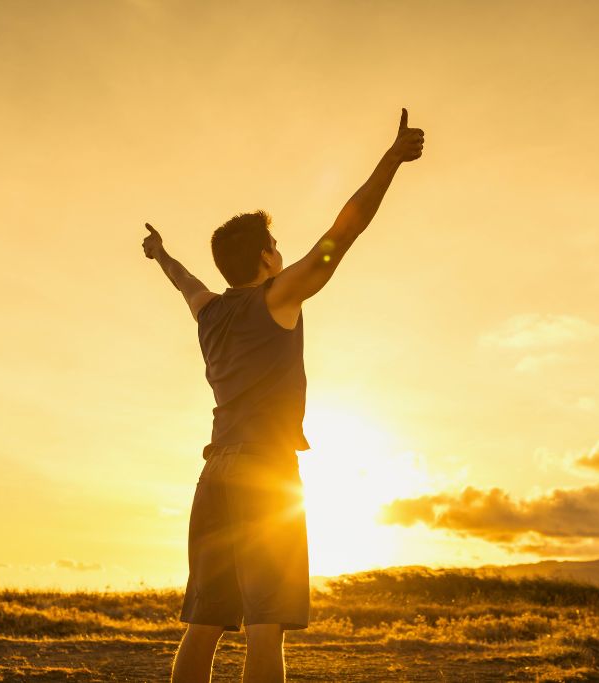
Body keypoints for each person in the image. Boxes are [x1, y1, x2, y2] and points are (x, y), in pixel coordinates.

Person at [142, 108, 425, 683]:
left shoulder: (209, 313)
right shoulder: (278, 297)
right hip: (264, 473)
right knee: (264, 625)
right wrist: (390, 160)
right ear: (266, 259)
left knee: (203, 624)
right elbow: (344, 233)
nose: (281, 250)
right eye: (275, 245)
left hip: (214, 472)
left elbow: (184, 282)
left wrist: (160, 254)